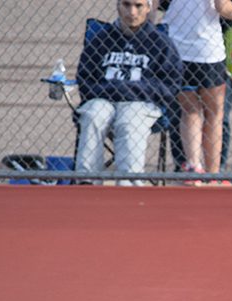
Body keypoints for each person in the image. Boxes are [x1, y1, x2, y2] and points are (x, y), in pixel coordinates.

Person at [74, 0, 183, 185]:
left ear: (148, 8)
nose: (132, 12)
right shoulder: (101, 39)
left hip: (142, 103)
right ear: (118, 6)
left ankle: (129, 185)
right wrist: (110, 91)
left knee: (129, 121)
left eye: (138, 6)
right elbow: (85, 79)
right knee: (93, 115)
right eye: (126, 4)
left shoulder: (161, 42)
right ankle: (86, 182)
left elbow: (171, 84)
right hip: (103, 100)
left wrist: (131, 91)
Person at [163, 0, 232, 183]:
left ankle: (193, 167)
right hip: (207, 51)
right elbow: (222, 6)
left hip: (177, 48)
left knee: (190, 111)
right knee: (214, 114)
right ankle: (213, 175)